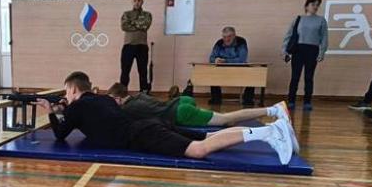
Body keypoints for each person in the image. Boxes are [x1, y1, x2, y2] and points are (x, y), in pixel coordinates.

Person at [35, 72, 296, 165]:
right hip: (152, 125)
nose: (66, 96)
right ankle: (277, 126)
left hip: (144, 134)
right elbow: (93, 117)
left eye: (67, 92)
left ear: (73, 90)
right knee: (208, 136)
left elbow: (60, 135)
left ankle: (269, 133)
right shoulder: (103, 99)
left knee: (198, 150)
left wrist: (51, 112)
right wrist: (62, 110)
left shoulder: (77, 107)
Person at [107, 83, 292, 131]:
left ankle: (274, 110)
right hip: (182, 101)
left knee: (227, 118)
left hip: (181, 112)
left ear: (117, 98)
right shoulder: (138, 95)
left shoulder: (128, 108)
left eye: (110, 100)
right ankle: (271, 121)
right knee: (226, 122)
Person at [282, 0, 329, 110]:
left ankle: (307, 102)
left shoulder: (321, 20)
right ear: (306, 6)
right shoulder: (298, 19)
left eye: (317, 5)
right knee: (295, 77)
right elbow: (289, 35)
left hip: (312, 49)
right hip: (298, 49)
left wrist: (322, 52)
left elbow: (324, 37)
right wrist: (284, 51)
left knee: (309, 77)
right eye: (313, 4)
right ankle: (291, 101)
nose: (315, 7)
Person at [208, 26, 255, 106]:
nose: (226, 39)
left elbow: (242, 59)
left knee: (254, 74)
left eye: (229, 36)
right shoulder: (219, 43)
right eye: (224, 37)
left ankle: (248, 99)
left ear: (234, 36)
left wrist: (225, 61)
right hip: (222, 67)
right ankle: (216, 98)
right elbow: (211, 58)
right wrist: (215, 60)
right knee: (212, 73)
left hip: (239, 67)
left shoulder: (241, 42)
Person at [119, 0, 152, 92]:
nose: (137, 3)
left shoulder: (147, 14)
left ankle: (144, 92)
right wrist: (139, 24)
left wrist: (132, 23)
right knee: (125, 71)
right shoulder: (127, 14)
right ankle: (122, 92)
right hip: (128, 46)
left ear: (142, 2)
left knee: (143, 71)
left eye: (139, 0)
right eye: (135, 0)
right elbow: (124, 26)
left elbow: (145, 26)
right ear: (132, 2)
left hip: (142, 46)